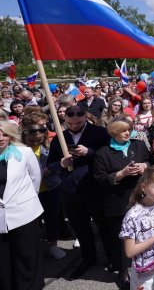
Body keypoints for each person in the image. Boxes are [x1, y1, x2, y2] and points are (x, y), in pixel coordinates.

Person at [47, 104, 112, 280]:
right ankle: (88, 257)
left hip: (94, 189)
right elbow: (50, 164)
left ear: (85, 118)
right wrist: (61, 164)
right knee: (81, 228)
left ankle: (112, 258)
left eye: (78, 123)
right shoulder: (60, 137)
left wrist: (89, 152)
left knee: (103, 225)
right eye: (70, 123)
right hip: (70, 191)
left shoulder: (99, 132)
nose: (74, 126)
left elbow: (110, 156)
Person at [94, 117, 152, 289]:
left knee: (144, 233)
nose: (127, 133)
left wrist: (145, 165)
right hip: (117, 203)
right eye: (123, 130)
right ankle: (123, 270)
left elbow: (152, 163)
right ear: (113, 132)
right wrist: (121, 174)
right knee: (121, 238)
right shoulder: (103, 153)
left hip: (141, 199)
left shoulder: (139, 145)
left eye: (129, 129)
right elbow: (100, 179)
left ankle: (146, 265)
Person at [0, 120, 44, 290]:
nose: (1, 138)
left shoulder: (23, 152)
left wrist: (24, 199)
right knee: (3, 257)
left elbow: (36, 178)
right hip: (1, 217)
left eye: (5, 134)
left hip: (25, 213)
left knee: (26, 255)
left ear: (11, 135)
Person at [20, 111, 66, 261]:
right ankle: (34, 246)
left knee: (51, 217)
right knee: (32, 221)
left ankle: (53, 245)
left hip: (50, 187)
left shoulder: (51, 143)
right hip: (28, 191)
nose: (42, 130)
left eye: (44, 127)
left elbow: (61, 162)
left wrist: (50, 168)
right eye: (39, 127)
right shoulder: (18, 148)